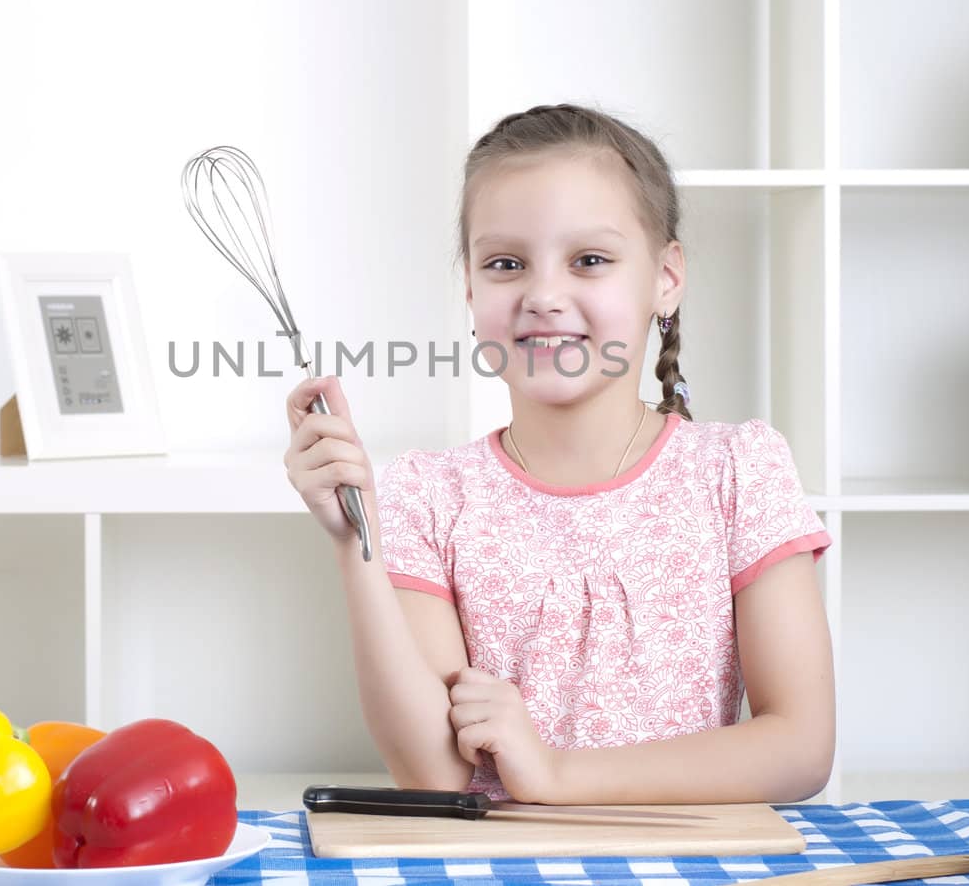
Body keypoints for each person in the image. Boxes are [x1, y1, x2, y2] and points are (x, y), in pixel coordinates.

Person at [283, 103, 834, 805]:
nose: (544, 295)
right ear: (472, 289)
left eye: (590, 260)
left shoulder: (738, 471)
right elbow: (435, 773)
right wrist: (351, 539)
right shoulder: (426, 494)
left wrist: (557, 772)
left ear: (665, 278)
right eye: (506, 263)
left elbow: (801, 744)